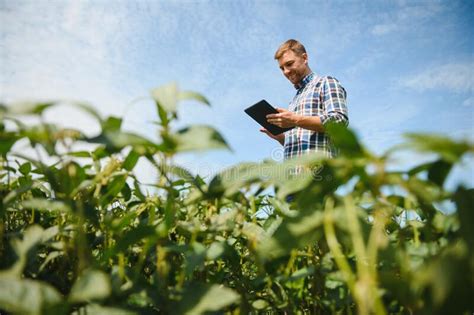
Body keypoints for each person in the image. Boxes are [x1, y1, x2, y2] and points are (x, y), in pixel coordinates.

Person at [260, 39, 349, 160]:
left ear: (305, 58)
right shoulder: (294, 101)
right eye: (282, 68)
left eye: (289, 64)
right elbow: (301, 143)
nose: (286, 71)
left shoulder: (325, 82)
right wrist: (280, 137)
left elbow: (339, 121)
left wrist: (295, 120)